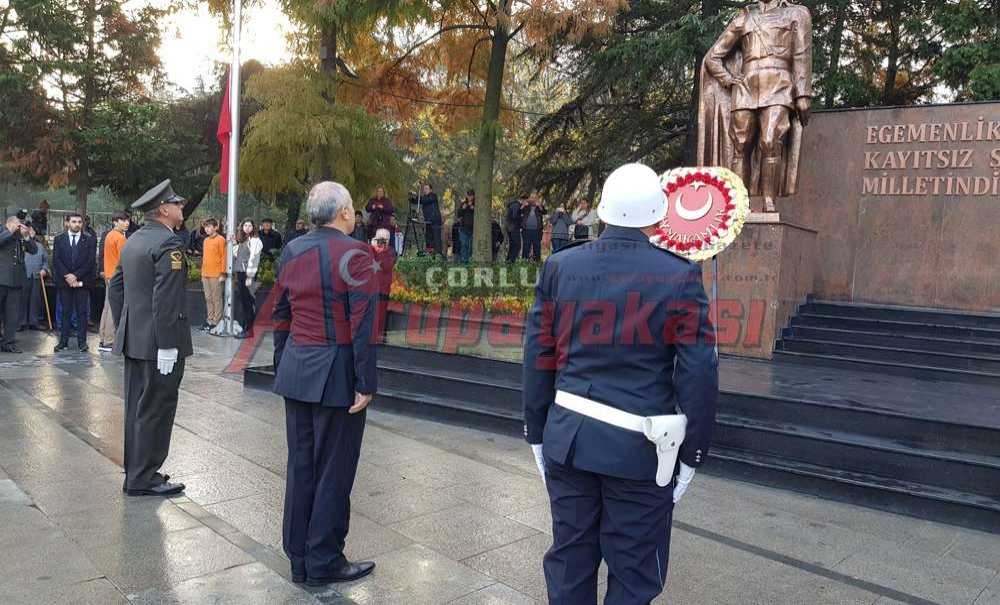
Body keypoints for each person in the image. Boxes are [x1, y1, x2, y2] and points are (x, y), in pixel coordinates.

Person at [523, 163, 718, 605]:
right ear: (656, 216)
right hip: (639, 452)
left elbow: (539, 358)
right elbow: (698, 373)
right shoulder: (679, 275)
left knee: (570, 563)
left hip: (569, 440)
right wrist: (693, 453)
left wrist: (537, 432)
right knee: (633, 574)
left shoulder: (560, 266)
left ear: (603, 211)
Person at [272, 181, 378, 586]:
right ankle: (324, 561)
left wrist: (284, 362)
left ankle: (299, 557)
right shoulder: (357, 253)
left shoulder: (293, 249)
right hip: (336, 371)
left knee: (301, 467)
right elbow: (363, 323)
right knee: (334, 470)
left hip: (298, 368)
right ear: (345, 212)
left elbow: (281, 313)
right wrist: (365, 382)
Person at [108, 179, 191, 497]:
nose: (182, 208)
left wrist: (128, 327)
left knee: (138, 408)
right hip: (159, 344)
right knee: (157, 406)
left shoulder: (135, 240)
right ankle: (143, 478)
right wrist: (168, 345)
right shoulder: (168, 244)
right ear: (165, 209)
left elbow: (116, 288)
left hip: (137, 339)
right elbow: (166, 300)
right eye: (178, 204)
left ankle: (138, 471)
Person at [53, 213, 96, 353]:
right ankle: (63, 342)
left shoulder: (89, 239)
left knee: (82, 313)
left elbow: (90, 262)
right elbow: (56, 260)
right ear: (67, 223)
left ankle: (82, 343)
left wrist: (75, 276)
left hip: (81, 281)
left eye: (79, 222)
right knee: (65, 312)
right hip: (64, 282)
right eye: (73, 221)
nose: (77, 224)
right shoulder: (59, 239)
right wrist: (68, 276)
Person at [0, 216, 37, 352]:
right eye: (17, 223)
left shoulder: (21, 236)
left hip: (16, 281)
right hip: (1, 279)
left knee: (12, 314)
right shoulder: (3, 231)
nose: (19, 226)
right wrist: (10, 231)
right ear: (8, 223)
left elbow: (34, 250)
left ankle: (8, 343)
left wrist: (27, 237)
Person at [98, 212, 129, 352]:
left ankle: (103, 338)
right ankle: (109, 341)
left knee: (107, 307)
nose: (126, 223)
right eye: (123, 220)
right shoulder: (120, 238)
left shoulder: (109, 235)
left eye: (127, 220)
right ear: (115, 222)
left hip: (109, 275)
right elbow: (125, 259)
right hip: (117, 276)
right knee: (113, 308)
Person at [231, 219, 262, 339]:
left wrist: (250, 276)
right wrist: (234, 243)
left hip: (248, 275)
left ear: (253, 227)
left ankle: (249, 330)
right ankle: (245, 328)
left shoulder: (255, 241)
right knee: (244, 302)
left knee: (248, 302)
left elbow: (254, 259)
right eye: (245, 225)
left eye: (250, 225)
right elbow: (237, 255)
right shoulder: (244, 240)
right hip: (240, 273)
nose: (247, 227)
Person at [199, 218, 226, 331]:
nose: (207, 229)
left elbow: (224, 257)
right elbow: (205, 258)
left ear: (216, 227)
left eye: (209, 226)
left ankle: (216, 321)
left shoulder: (221, 239)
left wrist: (223, 273)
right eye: (206, 227)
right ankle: (209, 320)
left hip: (216, 274)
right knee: (208, 298)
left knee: (216, 299)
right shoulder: (205, 240)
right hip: (206, 274)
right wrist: (202, 274)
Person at [21, 226, 48, 331]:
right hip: (22, 276)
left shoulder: (40, 246)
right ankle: (21, 323)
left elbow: (45, 261)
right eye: (28, 230)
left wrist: (44, 270)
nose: (30, 232)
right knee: (21, 300)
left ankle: (34, 322)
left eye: (32, 230)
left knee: (35, 300)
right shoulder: (20, 244)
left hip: (37, 276)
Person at [520, 191, 546, 261]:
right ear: (529, 198)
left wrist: (540, 206)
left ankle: (536, 262)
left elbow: (544, 212)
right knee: (526, 247)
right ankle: (524, 262)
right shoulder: (526, 206)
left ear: (537, 198)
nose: (533, 199)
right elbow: (520, 211)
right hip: (526, 230)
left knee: (537, 247)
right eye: (532, 197)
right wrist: (523, 205)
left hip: (537, 231)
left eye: (535, 198)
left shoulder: (539, 206)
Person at [418, 183, 443, 256]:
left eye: (427, 189)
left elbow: (425, 200)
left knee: (436, 240)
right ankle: (430, 256)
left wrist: (418, 199)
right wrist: (414, 199)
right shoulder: (424, 198)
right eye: (424, 189)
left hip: (435, 221)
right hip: (428, 222)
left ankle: (438, 256)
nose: (425, 190)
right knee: (428, 240)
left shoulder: (433, 196)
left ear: (431, 190)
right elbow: (421, 200)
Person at [457, 189, 475, 264]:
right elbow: (459, 215)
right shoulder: (463, 204)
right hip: (463, 229)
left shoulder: (476, 204)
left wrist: (473, 208)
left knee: (470, 247)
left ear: (473, 196)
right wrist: (462, 209)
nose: (469, 197)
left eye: (471, 195)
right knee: (464, 245)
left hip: (473, 229)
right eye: (468, 195)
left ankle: (469, 262)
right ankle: (464, 262)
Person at [504, 197, 524, 263]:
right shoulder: (516, 205)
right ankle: (511, 261)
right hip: (513, 228)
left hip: (510, 227)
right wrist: (521, 216)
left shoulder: (513, 204)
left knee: (512, 244)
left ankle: (509, 260)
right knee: (517, 245)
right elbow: (515, 216)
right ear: (522, 200)